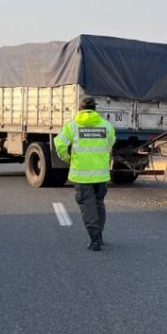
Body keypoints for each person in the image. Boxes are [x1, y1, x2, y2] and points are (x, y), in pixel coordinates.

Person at [54, 96, 116, 251]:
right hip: (101, 175)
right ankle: (99, 235)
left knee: (88, 207)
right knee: (98, 204)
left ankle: (95, 240)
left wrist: (67, 158)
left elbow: (59, 144)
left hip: (81, 175)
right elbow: (111, 142)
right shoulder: (106, 125)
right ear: (95, 109)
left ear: (80, 108)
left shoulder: (72, 126)